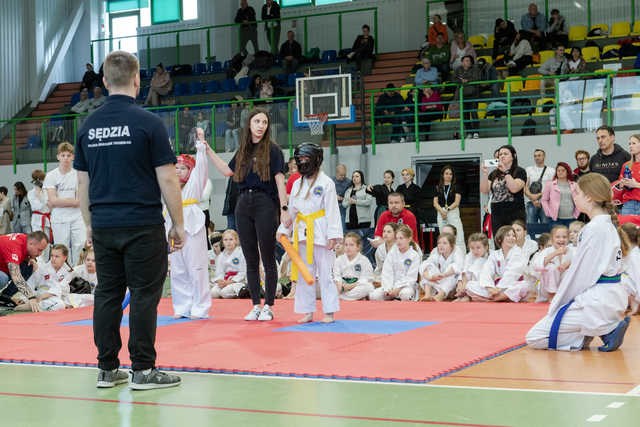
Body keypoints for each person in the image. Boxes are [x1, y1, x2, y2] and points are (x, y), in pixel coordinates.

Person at [75, 50, 184, 389]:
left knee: (107, 293)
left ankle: (107, 369)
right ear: (138, 80)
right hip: (142, 223)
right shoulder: (149, 123)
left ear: (105, 82)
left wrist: (89, 225)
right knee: (143, 295)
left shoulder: (88, 125)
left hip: (105, 224)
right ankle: (142, 370)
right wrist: (178, 225)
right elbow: (167, 178)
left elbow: (83, 183)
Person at [526, 173, 631, 352]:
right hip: (610, 297)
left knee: (534, 338)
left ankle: (606, 329)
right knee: (555, 324)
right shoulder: (606, 225)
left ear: (589, 197)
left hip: (597, 301)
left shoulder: (594, 229)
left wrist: (558, 303)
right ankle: (600, 328)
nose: (574, 197)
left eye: (578, 193)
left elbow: (580, 276)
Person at [206, 108, 290, 322]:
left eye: (264, 122)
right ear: (249, 125)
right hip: (243, 203)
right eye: (257, 121)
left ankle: (269, 305)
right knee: (250, 258)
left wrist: (284, 209)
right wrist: (208, 150)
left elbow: (280, 180)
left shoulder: (273, 150)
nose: (261, 125)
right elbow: (227, 171)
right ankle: (255, 305)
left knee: (268, 257)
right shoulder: (242, 150)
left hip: (265, 202)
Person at [276, 143, 342, 323]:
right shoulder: (297, 183)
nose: (303, 162)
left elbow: (332, 210)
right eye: (300, 160)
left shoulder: (326, 182)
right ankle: (307, 311)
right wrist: (283, 229)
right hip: (302, 232)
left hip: (321, 232)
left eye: (306, 159)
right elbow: (292, 211)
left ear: (315, 160)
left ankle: (329, 311)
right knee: (305, 273)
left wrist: (333, 235)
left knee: (325, 274)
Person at [166, 131, 210, 319]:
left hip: (192, 228)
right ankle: (182, 307)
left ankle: (200, 307)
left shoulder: (195, 184)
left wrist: (200, 144)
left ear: (190, 171)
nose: (179, 171)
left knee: (196, 268)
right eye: (176, 168)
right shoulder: (167, 188)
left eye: (183, 168)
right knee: (178, 269)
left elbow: (201, 166)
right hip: (173, 228)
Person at [44, 142, 86, 266]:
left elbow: (78, 202)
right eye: (63, 155)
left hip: (77, 217)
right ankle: (63, 277)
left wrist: (58, 201)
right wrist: (69, 201)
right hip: (59, 218)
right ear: (58, 157)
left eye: (68, 155)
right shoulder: (51, 176)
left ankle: (79, 276)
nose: (66, 158)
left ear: (73, 157)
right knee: (62, 248)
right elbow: (52, 200)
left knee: (80, 245)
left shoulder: (78, 174)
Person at [466, 225, 529, 302]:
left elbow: (512, 273)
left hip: (511, 285)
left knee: (523, 286)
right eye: (508, 235)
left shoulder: (518, 252)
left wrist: (499, 288)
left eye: (513, 236)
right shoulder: (495, 254)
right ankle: (500, 298)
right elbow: (486, 271)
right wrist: (490, 288)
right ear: (500, 239)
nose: (512, 238)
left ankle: (494, 299)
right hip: (496, 289)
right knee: (470, 285)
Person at [480, 145, 527, 236]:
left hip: (515, 213)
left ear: (514, 156)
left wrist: (506, 171)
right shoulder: (494, 174)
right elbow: (484, 190)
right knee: (499, 241)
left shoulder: (520, 171)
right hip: (497, 213)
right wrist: (485, 173)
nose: (502, 156)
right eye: (500, 154)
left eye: (505, 154)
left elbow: (514, 188)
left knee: (516, 241)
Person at [15, 243, 73, 312]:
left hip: (56, 296)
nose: (53, 259)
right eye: (52, 256)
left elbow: (62, 287)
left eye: (57, 256)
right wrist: (24, 297)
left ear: (64, 257)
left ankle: (31, 306)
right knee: (59, 305)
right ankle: (32, 304)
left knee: (61, 304)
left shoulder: (68, 271)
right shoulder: (43, 268)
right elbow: (31, 282)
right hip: (41, 293)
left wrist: (46, 295)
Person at [369, 224, 421, 301]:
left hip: (406, 287)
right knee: (374, 296)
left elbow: (411, 278)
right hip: (391, 286)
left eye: (401, 238)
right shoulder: (392, 253)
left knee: (405, 294)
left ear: (409, 239)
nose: (398, 241)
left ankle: (398, 300)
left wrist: (397, 289)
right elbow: (387, 272)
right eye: (396, 238)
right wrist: (388, 289)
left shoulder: (414, 255)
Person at [0, 231, 48, 312]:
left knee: (28, 266)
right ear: (31, 243)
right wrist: (31, 297)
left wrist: (30, 258)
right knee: (2, 278)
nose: (40, 254)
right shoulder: (15, 247)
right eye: (39, 250)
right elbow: (16, 276)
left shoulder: (26, 239)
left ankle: (4, 298)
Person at [531, 225, 573, 302]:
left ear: (568, 239)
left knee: (571, 269)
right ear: (552, 240)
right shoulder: (547, 251)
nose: (561, 240)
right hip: (547, 289)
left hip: (565, 289)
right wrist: (555, 253)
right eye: (557, 237)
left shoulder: (572, 251)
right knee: (551, 268)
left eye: (564, 237)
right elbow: (537, 266)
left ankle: (565, 297)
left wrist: (569, 263)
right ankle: (552, 295)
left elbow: (581, 263)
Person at [420, 232, 464, 301]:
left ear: (452, 246)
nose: (441, 245)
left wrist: (444, 275)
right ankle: (427, 294)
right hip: (440, 281)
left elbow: (459, 267)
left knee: (453, 270)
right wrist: (430, 277)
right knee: (429, 267)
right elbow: (425, 264)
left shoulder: (457, 253)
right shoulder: (437, 254)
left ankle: (440, 295)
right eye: (439, 243)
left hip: (453, 285)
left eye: (444, 243)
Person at [334, 232, 374, 301]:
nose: (348, 247)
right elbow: (336, 276)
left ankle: (342, 298)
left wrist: (352, 285)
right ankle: (355, 298)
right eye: (346, 245)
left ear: (358, 247)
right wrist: (340, 285)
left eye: (351, 245)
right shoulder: (339, 260)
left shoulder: (364, 260)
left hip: (356, 287)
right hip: (342, 288)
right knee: (330, 286)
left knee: (369, 287)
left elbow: (366, 278)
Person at [433, 165, 465, 250]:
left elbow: (457, 202)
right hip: (440, 212)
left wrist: (447, 210)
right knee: (443, 234)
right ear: (442, 175)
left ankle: (460, 255)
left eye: (450, 174)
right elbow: (435, 203)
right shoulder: (438, 187)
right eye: (446, 173)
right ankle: (445, 253)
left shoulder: (456, 186)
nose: (448, 176)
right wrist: (442, 211)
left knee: (458, 234)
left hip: (452, 211)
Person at [211, 229, 247, 299]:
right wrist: (221, 281)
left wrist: (229, 282)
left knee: (225, 293)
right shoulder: (221, 255)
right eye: (225, 240)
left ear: (236, 241)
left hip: (237, 281)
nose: (228, 242)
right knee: (213, 293)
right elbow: (219, 272)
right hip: (225, 280)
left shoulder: (241, 253)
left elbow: (243, 272)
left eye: (231, 239)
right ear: (223, 242)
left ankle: (243, 291)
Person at [541, 162, 580, 227]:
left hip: (571, 219)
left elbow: (579, 200)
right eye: (558, 171)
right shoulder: (550, 184)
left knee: (570, 237)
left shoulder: (574, 185)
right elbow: (544, 200)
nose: (560, 172)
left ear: (567, 172)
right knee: (556, 237)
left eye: (563, 170)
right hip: (555, 220)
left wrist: (576, 214)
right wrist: (548, 212)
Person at [454, 233, 490, 302]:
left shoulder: (492, 257)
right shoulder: (469, 256)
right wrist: (461, 285)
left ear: (486, 247)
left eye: (478, 248)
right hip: (470, 285)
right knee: (465, 283)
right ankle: (467, 295)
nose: (475, 251)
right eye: (472, 248)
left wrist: (466, 286)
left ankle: (469, 296)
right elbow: (464, 273)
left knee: (470, 284)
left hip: (485, 287)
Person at [524, 149, 554, 226]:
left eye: (539, 155)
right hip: (531, 203)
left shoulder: (551, 171)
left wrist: (539, 195)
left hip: (545, 203)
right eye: (535, 156)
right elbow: (525, 186)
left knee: (545, 227)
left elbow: (551, 188)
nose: (537, 158)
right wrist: (533, 199)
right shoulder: (528, 169)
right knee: (531, 227)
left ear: (544, 156)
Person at [454, 55, 480, 139]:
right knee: (465, 115)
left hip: (473, 95)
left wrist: (467, 80)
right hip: (463, 95)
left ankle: (476, 132)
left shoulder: (475, 69)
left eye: (468, 60)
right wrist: (461, 81)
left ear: (471, 62)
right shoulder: (458, 69)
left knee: (473, 113)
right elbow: (454, 79)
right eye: (465, 60)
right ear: (462, 62)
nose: (466, 62)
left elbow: (476, 79)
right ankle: (469, 132)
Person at [27, 170, 51, 259]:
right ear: (36, 180)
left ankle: (46, 263)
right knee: (37, 242)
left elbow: (49, 205)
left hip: (46, 219)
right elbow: (36, 206)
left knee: (46, 243)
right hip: (37, 219)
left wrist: (41, 196)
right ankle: (38, 263)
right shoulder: (31, 193)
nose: (42, 181)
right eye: (41, 180)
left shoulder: (47, 191)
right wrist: (37, 194)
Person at [334, 164, 350, 230]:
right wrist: (333, 196)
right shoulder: (330, 181)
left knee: (343, 228)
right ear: (336, 173)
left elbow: (353, 195)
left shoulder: (349, 182)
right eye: (341, 175)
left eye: (344, 175)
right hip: (333, 208)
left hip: (343, 209)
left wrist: (341, 198)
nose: (343, 177)